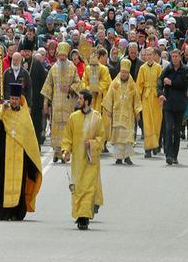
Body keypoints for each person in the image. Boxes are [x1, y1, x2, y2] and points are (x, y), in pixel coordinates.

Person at [0, 84, 43, 221]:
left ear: (20, 99)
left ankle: (17, 212)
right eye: (11, 98)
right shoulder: (3, 113)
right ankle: (2, 212)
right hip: (3, 157)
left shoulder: (24, 116)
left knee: (19, 185)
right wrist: (1, 113)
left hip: (20, 159)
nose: (13, 101)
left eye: (16, 99)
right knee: (1, 184)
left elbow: (30, 140)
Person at [62, 90, 104, 231]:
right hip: (77, 162)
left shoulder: (97, 118)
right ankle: (79, 215)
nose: (78, 101)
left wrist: (91, 144)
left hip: (91, 161)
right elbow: (67, 136)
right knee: (78, 189)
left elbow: (101, 139)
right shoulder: (73, 117)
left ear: (87, 101)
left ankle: (84, 218)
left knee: (88, 189)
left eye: (80, 98)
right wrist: (66, 151)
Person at [40, 42, 80, 163]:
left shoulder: (72, 67)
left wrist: (70, 88)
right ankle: (56, 153)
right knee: (56, 129)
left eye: (63, 55)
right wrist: (45, 104)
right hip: (56, 105)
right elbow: (48, 87)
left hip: (68, 105)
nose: (61, 57)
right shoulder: (54, 68)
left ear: (66, 54)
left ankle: (65, 152)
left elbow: (78, 82)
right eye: (60, 55)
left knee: (67, 129)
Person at [104, 58, 142, 165]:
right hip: (117, 114)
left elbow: (136, 99)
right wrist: (109, 109)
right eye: (122, 72)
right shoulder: (114, 83)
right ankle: (118, 157)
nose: (124, 74)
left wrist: (137, 111)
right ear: (120, 71)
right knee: (118, 137)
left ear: (128, 72)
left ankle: (127, 157)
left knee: (128, 136)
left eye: (126, 72)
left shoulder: (132, 84)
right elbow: (109, 97)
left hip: (128, 115)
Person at [157, 49, 188, 165]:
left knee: (177, 131)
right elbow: (160, 81)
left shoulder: (184, 69)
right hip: (168, 103)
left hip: (180, 104)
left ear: (180, 57)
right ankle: (168, 154)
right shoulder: (168, 69)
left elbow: (184, 84)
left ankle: (175, 155)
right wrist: (160, 93)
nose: (174, 58)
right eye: (173, 56)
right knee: (169, 128)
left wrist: (171, 83)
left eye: (176, 56)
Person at [80, 51, 111, 145]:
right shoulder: (87, 69)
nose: (93, 67)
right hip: (90, 99)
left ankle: (102, 141)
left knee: (101, 120)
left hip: (101, 98)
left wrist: (97, 89)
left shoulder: (104, 69)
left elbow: (106, 81)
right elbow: (84, 81)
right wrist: (89, 90)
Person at [136, 47, 163, 155]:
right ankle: (148, 148)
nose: (149, 57)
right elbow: (139, 85)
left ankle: (155, 144)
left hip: (156, 97)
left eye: (150, 54)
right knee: (147, 123)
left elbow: (161, 83)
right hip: (146, 97)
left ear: (154, 55)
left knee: (156, 121)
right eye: (146, 55)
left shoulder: (158, 67)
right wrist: (138, 100)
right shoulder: (142, 68)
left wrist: (161, 94)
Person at [22, 39, 48, 145]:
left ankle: (37, 146)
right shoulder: (21, 63)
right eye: (25, 51)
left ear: (32, 52)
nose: (27, 53)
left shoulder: (37, 64)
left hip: (36, 101)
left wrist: (43, 101)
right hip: (24, 101)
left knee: (36, 125)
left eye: (29, 51)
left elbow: (45, 82)